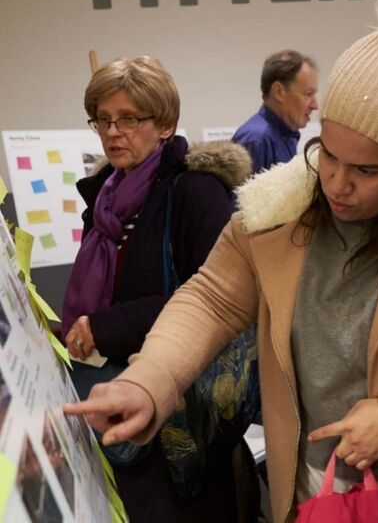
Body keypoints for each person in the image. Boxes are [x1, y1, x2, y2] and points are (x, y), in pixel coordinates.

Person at [64, 0, 378, 523]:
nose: (337, 183)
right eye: (329, 154)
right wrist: (147, 383)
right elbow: (210, 300)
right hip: (307, 490)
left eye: (367, 171)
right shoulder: (276, 215)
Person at [61, 56, 253, 522]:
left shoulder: (195, 191)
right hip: (115, 395)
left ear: (164, 124)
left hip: (182, 417)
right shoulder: (105, 194)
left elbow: (211, 295)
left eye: (129, 119)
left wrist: (105, 327)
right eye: (103, 119)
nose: (112, 132)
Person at [232, 49, 318, 174]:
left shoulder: (287, 135)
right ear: (278, 92)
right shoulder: (257, 140)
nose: (315, 105)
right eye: (308, 94)